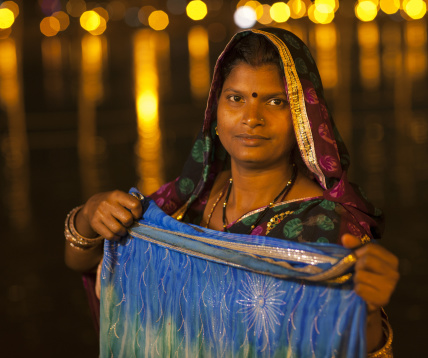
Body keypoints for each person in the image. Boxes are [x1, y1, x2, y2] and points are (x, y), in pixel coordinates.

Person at [65, 28, 399, 356]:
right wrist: (89, 215)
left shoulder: (327, 228)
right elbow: (93, 264)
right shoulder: (185, 201)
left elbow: (350, 343)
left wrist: (367, 312)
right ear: (215, 111)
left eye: (275, 102)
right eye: (236, 98)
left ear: (302, 117)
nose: (251, 118)